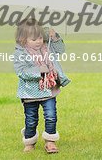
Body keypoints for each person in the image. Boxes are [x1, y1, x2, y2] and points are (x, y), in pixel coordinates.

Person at [13, 18, 70, 153]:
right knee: (31, 118)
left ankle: (50, 141)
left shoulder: (47, 47)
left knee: (51, 115)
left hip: (49, 90)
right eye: (34, 39)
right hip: (30, 92)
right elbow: (21, 72)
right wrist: (39, 71)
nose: (38, 41)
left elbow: (61, 50)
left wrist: (54, 36)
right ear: (23, 40)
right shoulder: (20, 53)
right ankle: (29, 141)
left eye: (40, 37)